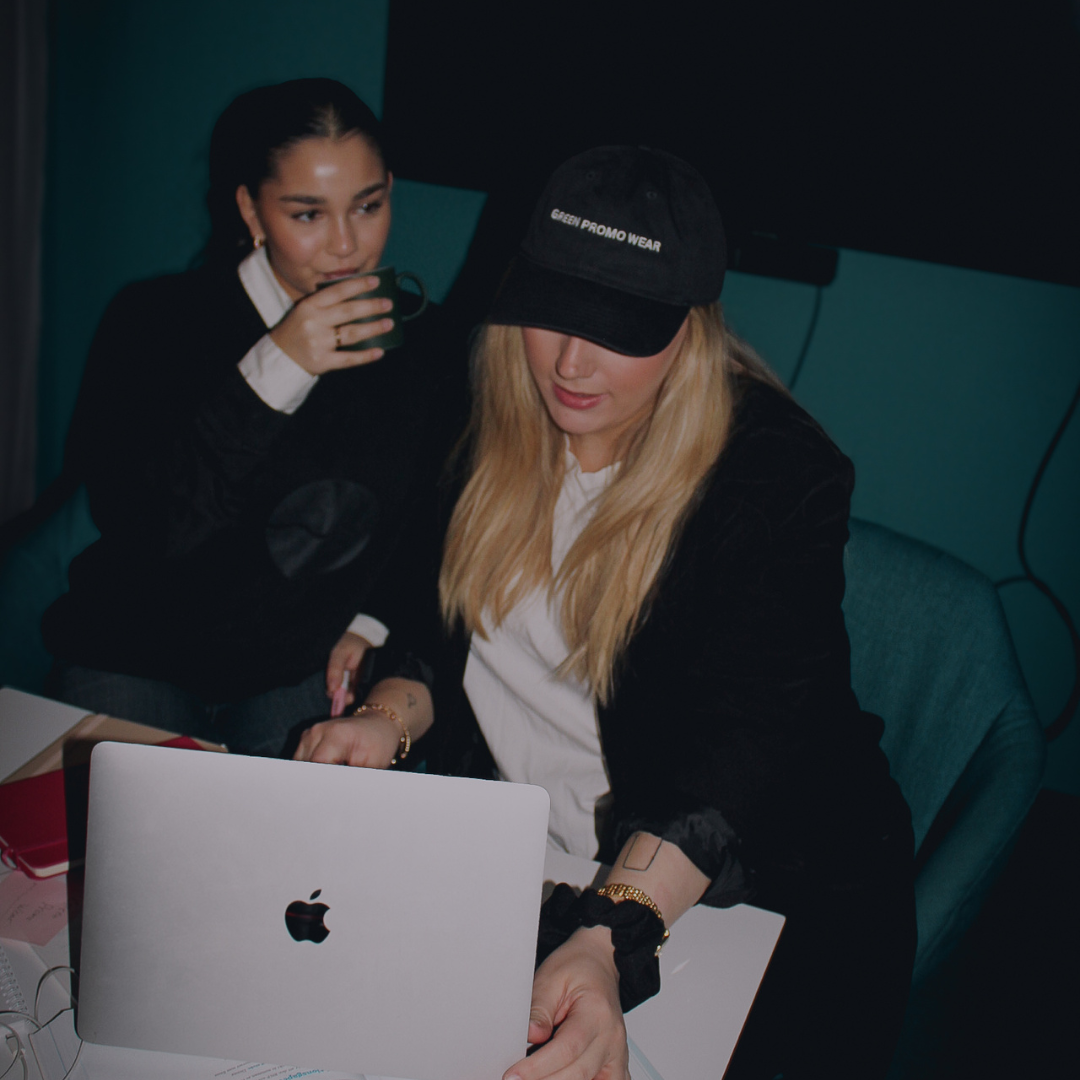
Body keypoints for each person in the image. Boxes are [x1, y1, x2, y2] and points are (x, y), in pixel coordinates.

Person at [295, 146, 915, 1079]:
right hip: (527, 853)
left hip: (749, 881)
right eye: (553, 314)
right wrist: (387, 717)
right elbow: (441, 633)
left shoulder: (775, 480)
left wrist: (609, 932)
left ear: (691, 327)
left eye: (621, 329)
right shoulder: (485, 406)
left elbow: (737, 757)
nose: (573, 363)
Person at [42, 78, 456, 757]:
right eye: (307, 215)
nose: (346, 247)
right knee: (127, 851)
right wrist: (277, 368)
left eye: (368, 206)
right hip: (135, 647)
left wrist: (374, 620)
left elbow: (432, 515)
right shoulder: (151, 322)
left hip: (291, 665)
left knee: (289, 854)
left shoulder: (427, 348)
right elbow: (149, 526)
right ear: (253, 211)